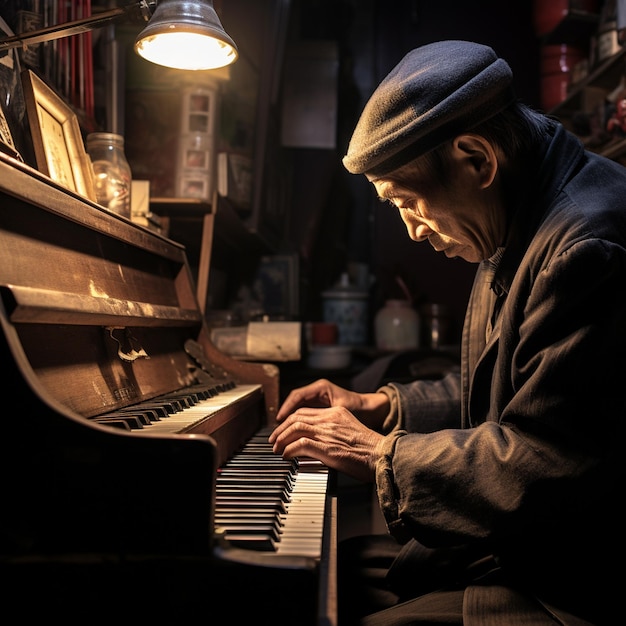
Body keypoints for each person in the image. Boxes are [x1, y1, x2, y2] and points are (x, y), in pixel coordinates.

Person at [268, 40, 626, 625]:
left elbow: (545, 460)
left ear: (476, 159)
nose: (411, 231)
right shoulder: (516, 212)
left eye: (408, 201)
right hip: (531, 545)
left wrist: (378, 454)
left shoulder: (584, 248)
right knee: (335, 566)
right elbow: (511, 386)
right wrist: (382, 407)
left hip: (575, 580)